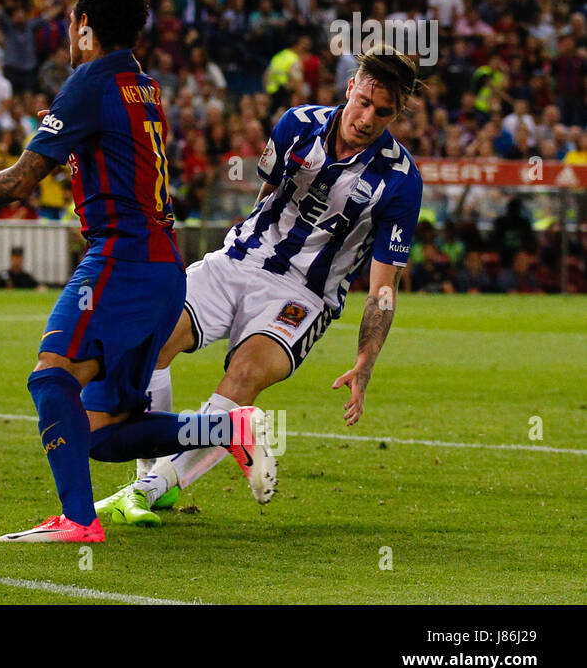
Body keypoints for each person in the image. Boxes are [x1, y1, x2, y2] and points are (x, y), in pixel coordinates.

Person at [0, 0, 275, 544]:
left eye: (70, 21)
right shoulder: (141, 84)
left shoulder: (90, 83)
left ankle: (78, 519)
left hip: (123, 259)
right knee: (101, 431)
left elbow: (21, 180)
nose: (68, 32)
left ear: (85, 27)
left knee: (51, 376)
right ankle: (226, 427)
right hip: (159, 267)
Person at [95, 45, 424, 526]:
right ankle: (150, 473)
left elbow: (382, 289)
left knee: (244, 377)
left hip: (302, 296)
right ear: (350, 87)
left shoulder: (400, 181)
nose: (368, 117)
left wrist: (364, 362)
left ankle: (152, 487)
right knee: (149, 342)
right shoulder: (296, 124)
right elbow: (267, 193)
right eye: (365, 101)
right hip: (238, 260)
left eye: (384, 111)